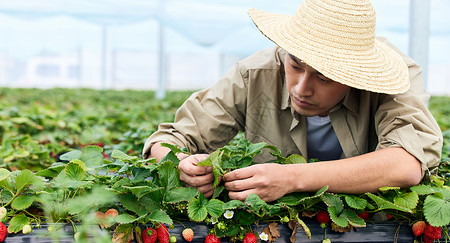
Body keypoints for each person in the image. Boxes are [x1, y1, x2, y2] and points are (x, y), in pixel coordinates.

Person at [143, 0, 443, 202]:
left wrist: (292, 178)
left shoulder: (392, 78)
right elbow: (167, 140)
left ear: (354, 75)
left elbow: (406, 163)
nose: (301, 87)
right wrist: (182, 164)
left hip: (362, 223)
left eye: (324, 77)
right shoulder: (255, 74)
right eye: (296, 65)